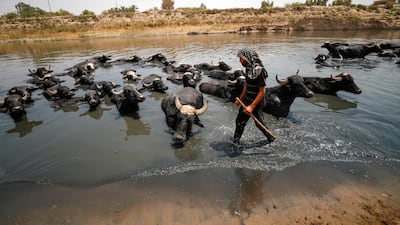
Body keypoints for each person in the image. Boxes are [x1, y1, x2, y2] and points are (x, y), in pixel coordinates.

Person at [233, 47, 275, 144]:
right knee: (239, 121)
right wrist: (240, 99)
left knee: (259, 124)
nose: (240, 60)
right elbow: (246, 86)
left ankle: (271, 139)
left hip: (256, 102)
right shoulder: (248, 68)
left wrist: (251, 107)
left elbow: (262, 91)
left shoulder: (259, 71)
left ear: (247, 58)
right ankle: (235, 142)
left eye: (241, 58)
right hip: (247, 100)